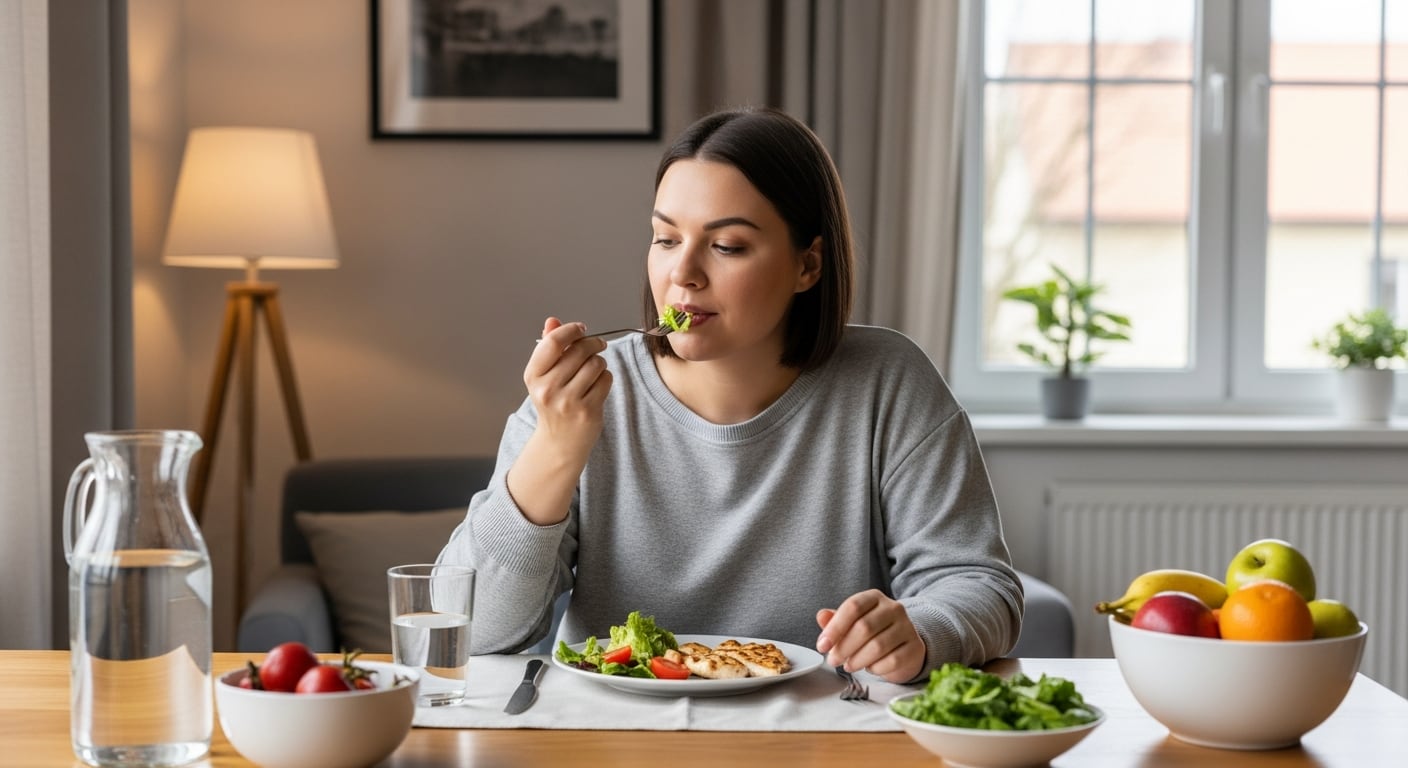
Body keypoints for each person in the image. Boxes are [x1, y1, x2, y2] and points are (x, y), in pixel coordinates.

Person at [438, 106, 1022, 683]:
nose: (683, 273)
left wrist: (919, 632)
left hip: (823, 735)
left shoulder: (889, 381)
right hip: (616, 738)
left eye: (727, 246)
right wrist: (557, 448)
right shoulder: (580, 398)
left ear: (808, 265)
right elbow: (469, 630)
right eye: (665, 239)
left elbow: (980, 585)